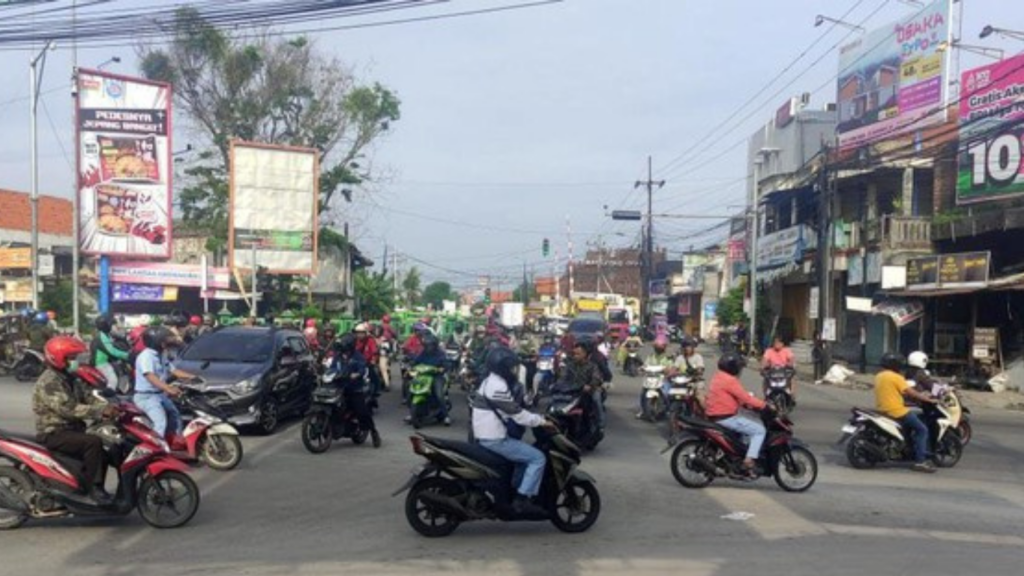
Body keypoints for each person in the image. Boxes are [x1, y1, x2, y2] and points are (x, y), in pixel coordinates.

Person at [33, 336, 120, 504]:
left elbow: (88, 397)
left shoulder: (69, 377)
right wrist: (100, 411)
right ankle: (91, 490)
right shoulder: (49, 381)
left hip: (71, 429)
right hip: (54, 432)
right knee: (93, 443)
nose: (75, 362)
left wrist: (112, 404)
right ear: (58, 358)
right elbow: (68, 409)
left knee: (107, 444)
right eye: (71, 358)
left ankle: (91, 484)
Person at [470, 345, 553, 517]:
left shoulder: (488, 381)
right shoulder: (498, 386)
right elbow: (517, 414)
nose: (514, 371)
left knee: (522, 455)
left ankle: (515, 488)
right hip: (494, 439)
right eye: (511, 367)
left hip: (484, 435)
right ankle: (522, 500)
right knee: (537, 458)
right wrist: (541, 421)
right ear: (503, 368)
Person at [704, 352, 767, 475]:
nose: (740, 370)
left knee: (747, 423)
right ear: (733, 368)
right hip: (726, 417)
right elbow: (746, 398)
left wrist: (746, 404)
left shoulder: (718, 376)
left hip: (715, 415)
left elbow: (734, 397)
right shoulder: (730, 380)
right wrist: (765, 405)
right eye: (739, 367)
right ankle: (749, 461)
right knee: (759, 430)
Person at [875, 352, 938, 473]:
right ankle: (920, 461)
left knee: (910, 426)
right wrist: (927, 398)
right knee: (922, 430)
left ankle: (907, 445)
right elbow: (914, 391)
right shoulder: (903, 376)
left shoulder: (879, 376)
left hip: (882, 409)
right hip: (898, 410)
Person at [133, 327, 194, 445]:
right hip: (146, 397)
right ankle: (156, 449)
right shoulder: (146, 356)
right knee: (161, 422)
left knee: (175, 415)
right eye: (164, 340)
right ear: (156, 342)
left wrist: (193, 377)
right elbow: (150, 376)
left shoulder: (161, 354)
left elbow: (173, 370)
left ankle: (175, 442)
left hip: (159, 395)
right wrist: (168, 388)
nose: (167, 342)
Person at [329, 334, 380, 447]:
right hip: (338, 386)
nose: (344, 350)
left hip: (354, 388)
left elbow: (362, 369)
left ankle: (373, 432)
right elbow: (332, 367)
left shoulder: (358, 357)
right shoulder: (338, 356)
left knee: (361, 411)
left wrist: (356, 374)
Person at [560, 340, 606, 430]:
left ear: (585, 354)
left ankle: (600, 422)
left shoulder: (592, 366)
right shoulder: (570, 365)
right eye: (574, 354)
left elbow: (596, 378)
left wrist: (590, 385)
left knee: (596, 399)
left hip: (589, 390)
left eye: (578, 354)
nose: (575, 356)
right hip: (572, 389)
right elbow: (563, 377)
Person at [409, 332, 451, 425]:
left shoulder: (440, 354)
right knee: (411, 390)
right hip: (423, 376)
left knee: (439, 395)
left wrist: (442, 368)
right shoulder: (423, 353)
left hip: (437, 377)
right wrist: (411, 364)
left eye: (430, 345)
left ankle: (446, 416)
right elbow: (416, 361)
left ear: (435, 345)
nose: (428, 347)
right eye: (427, 345)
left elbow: (446, 363)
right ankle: (411, 413)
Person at [91, 314, 131, 391]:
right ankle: (109, 398)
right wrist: (127, 355)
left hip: (106, 361)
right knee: (113, 380)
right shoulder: (101, 336)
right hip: (101, 363)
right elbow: (111, 351)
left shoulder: (105, 335)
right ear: (106, 325)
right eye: (112, 324)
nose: (113, 326)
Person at [354, 322, 382, 404]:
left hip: (367, 363)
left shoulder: (370, 341)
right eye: (358, 333)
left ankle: (375, 392)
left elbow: (374, 352)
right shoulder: (354, 341)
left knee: (373, 376)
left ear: (365, 333)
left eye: (361, 333)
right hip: (355, 363)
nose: (359, 335)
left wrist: (373, 360)